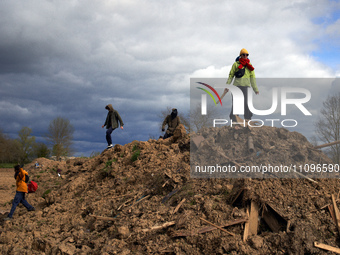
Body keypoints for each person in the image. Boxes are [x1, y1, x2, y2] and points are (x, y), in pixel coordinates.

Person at [226, 48, 259, 122]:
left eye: (246, 55)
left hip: (246, 86)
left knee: (247, 103)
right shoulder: (236, 64)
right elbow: (231, 75)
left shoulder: (250, 66)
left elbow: (252, 78)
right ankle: (234, 120)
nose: (245, 56)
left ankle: (247, 119)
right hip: (236, 86)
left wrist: (255, 89)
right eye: (243, 54)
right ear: (240, 55)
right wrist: (228, 85)